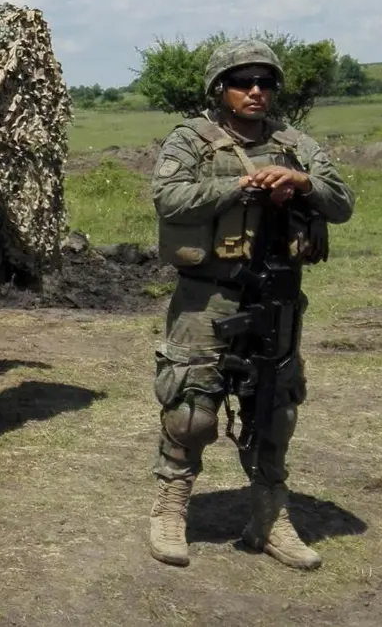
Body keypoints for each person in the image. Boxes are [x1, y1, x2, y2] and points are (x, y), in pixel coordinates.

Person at [146, 39, 354, 570]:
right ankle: (170, 509)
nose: (256, 91)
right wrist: (242, 185)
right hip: (207, 295)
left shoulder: (294, 143)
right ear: (221, 89)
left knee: (275, 409)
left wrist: (301, 181)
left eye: (265, 82)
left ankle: (268, 518)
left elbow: (342, 203)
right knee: (192, 409)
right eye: (243, 82)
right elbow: (168, 197)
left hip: (277, 294)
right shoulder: (192, 140)